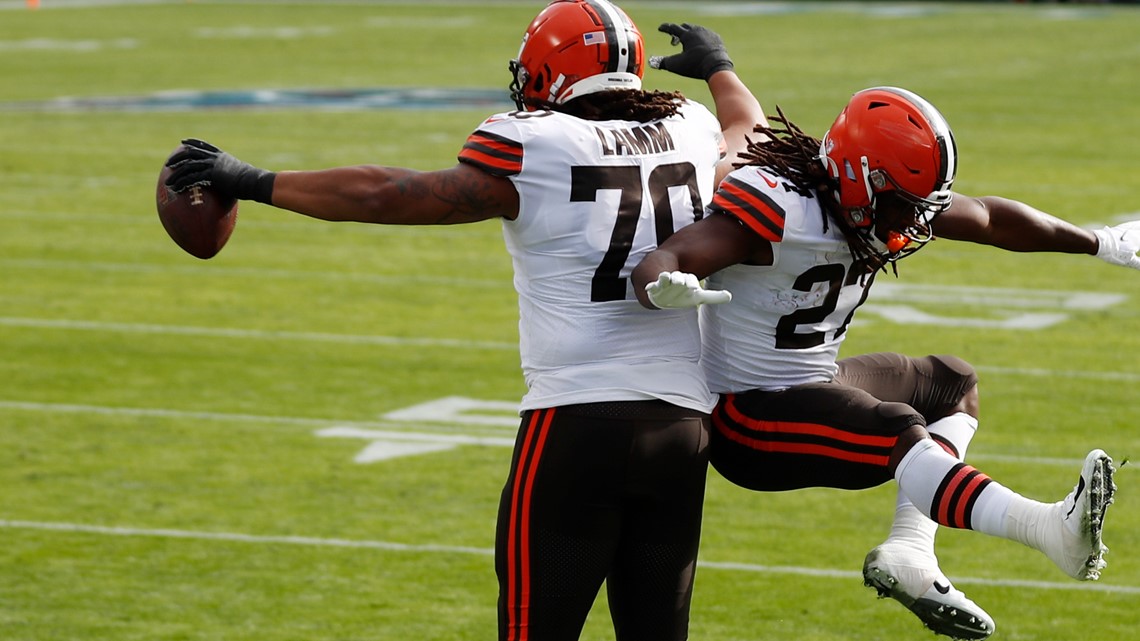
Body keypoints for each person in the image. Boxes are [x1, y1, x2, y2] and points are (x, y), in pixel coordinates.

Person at [162, 2, 764, 639]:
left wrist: (254, 181)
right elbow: (748, 136)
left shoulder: (534, 142)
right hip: (681, 427)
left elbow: (390, 195)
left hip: (577, 425)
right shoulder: (691, 126)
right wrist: (720, 68)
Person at [631, 86, 1134, 640]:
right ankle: (1047, 530)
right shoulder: (777, 209)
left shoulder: (879, 198)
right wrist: (662, 283)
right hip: (747, 419)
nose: (913, 222)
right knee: (898, 429)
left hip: (811, 384)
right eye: (902, 204)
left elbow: (991, 219)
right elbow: (674, 254)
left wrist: (1101, 242)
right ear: (857, 175)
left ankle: (910, 551)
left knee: (952, 383)